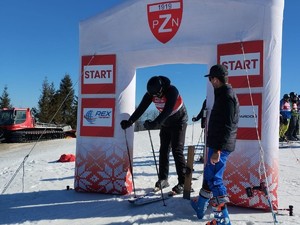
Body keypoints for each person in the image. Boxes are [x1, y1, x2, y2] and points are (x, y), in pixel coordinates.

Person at [120, 76, 188, 194]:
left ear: (163, 88)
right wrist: (130, 122)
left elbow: (168, 109)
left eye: (158, 94)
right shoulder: (150, 94)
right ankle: (163, 179)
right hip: (166, 122)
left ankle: (184, 182)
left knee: (177, 150)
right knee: (163, 150)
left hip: (179, 121)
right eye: (154, 95)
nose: (157, 97)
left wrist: (155, 123)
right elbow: (141, 108)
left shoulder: (172, 90)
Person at [190, 64, 239, 225]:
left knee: (215, 180)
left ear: (215, 79)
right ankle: (201, 205)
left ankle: (222, 220)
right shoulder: (222, 94)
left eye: (210, 78)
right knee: (210, 176)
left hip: (220, 147)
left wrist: (217, 149)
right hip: (216, 144)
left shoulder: (227, 96)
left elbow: (228, 126)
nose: (210, 81)